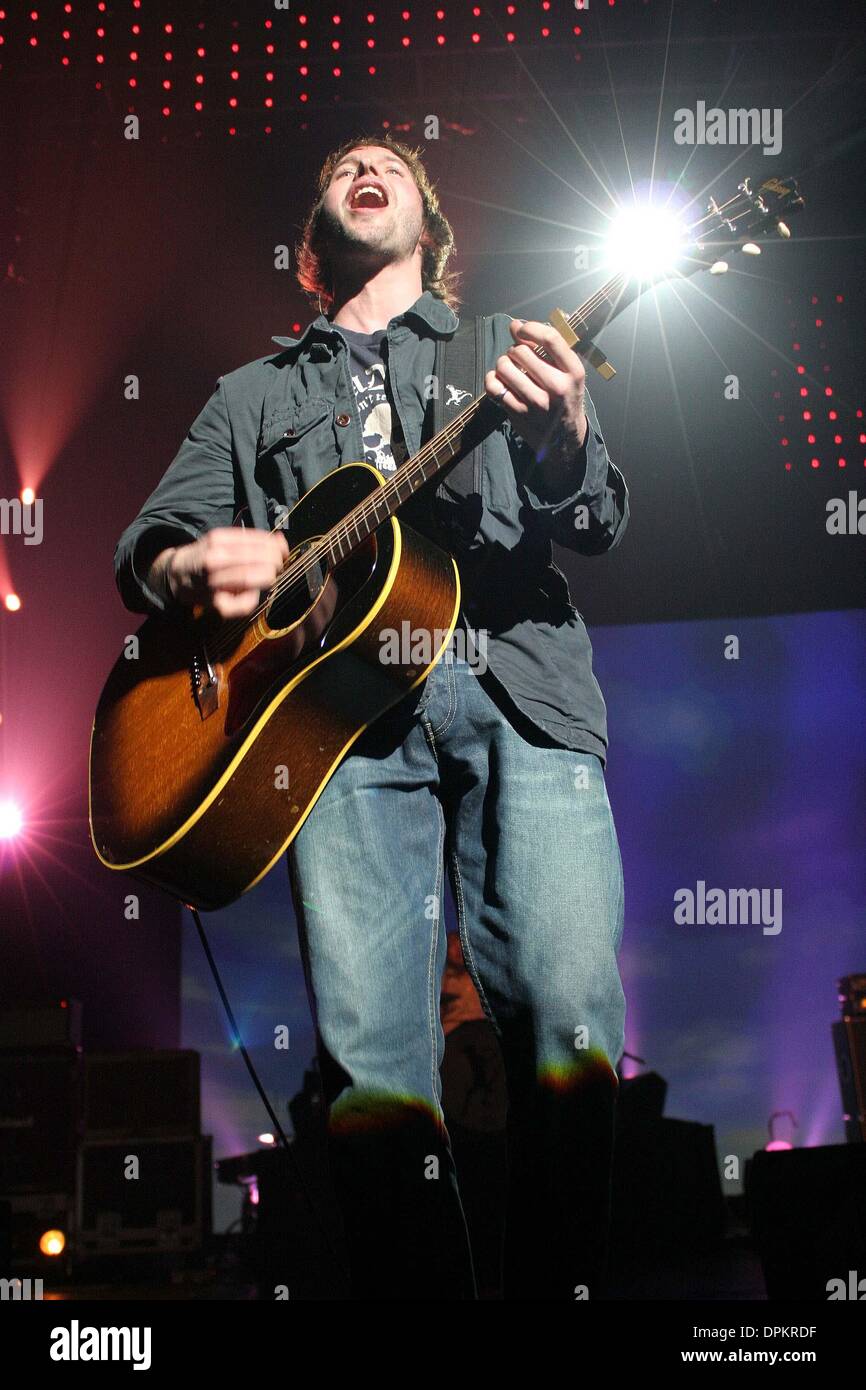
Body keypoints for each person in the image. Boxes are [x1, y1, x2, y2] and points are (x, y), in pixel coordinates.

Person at [114, 133, 629, 1301]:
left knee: (570, 1017)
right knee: (370, 1075)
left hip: (516, 685)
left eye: (389, 162)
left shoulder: (510, 349)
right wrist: (188, 566)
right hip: (337, 730)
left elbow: (598, 517)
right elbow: (145, 546)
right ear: (309, 249)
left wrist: (562, 436)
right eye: (343, 164)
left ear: (427, 228)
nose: (366, 165)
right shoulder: (248, 396)